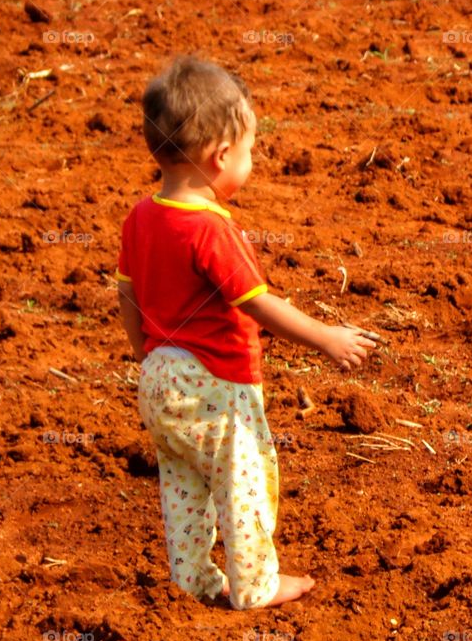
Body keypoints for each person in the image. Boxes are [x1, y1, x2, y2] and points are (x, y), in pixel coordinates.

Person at [115, 55, 376, 609]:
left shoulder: (140, 217)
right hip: (217, 386)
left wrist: (145, 355)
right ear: (221, 156)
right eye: (250, 151)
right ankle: (256, 584)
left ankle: (193, 579)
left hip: (158, 380)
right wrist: (325, 337)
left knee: (184, 484)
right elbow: (257, 303)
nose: (251, 162)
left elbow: (128, 294)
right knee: (244, 479)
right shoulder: (211, 230)